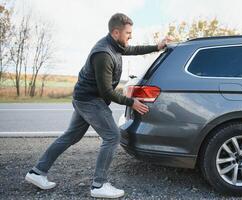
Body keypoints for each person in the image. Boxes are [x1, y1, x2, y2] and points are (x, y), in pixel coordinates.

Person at [25, 13, 169, 198]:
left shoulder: (115, 44)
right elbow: (106, 92)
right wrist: (131, 102)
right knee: (112, 136)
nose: (130, 36)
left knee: (71, 136)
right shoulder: (104, 54)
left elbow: (132, 49)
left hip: (84, 97)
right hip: (90, 100)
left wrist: (156, 47)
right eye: (128, 33)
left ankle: (37, 172)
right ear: (116, 32)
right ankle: (99, 185)